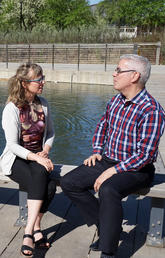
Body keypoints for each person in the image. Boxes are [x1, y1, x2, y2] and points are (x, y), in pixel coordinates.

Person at [61, 54, 165, 258]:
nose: (113, 73)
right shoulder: (116, 100)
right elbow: (102, 125)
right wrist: (97, 150)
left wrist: (113, 171)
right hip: (108, 159)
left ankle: (108, 251)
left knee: (108, 189)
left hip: (137, 169)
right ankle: (109, 227)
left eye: (118, 70)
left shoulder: (151, 110)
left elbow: (145, 155)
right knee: (68, 182)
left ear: (135, 76)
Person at [0, 63, 56, 257]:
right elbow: (12, 145)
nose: (43, 82)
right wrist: (36, 157)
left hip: (37, 157)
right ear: (25, 83)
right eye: (38, 80)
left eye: (42, 78)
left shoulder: (44, 104)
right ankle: (31, 232)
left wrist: (45, 150)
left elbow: (50, 133)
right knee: (43, 182)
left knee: (49, 185)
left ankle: (31, 228)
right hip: (15, 159)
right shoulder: (11, 108)